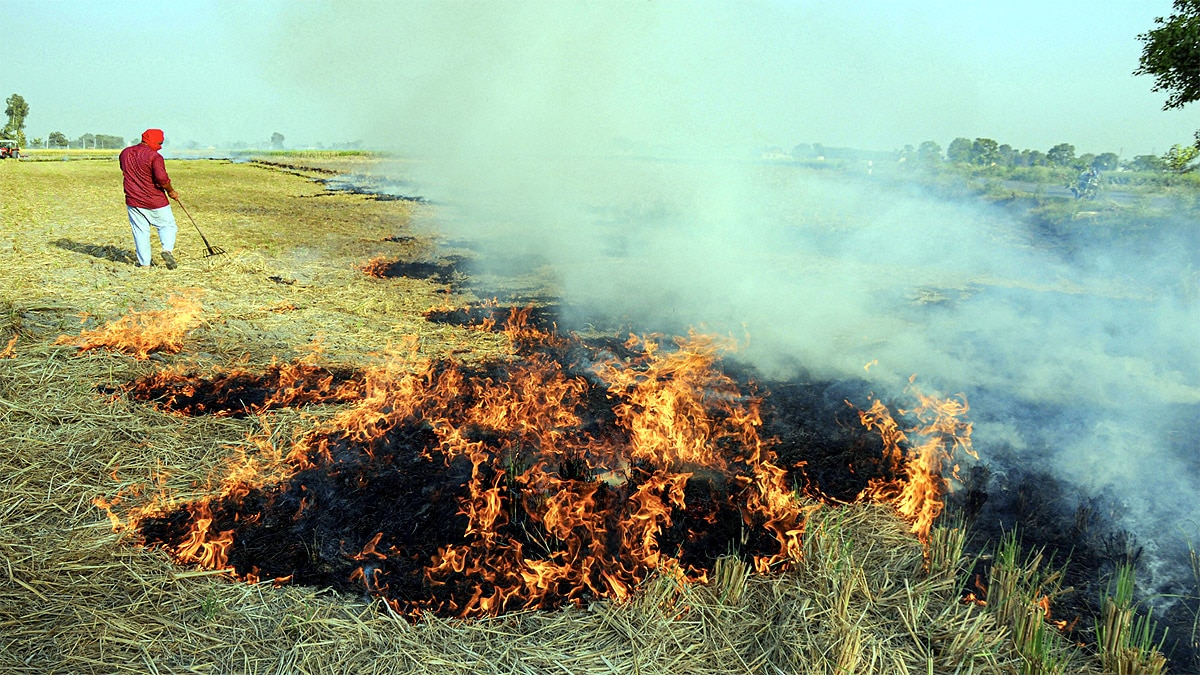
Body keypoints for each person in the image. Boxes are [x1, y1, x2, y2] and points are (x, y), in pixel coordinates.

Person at [119, 129, 179, 269]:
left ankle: (145, 265)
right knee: (167, 225)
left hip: (133, 200)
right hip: (155, 200)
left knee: (140, 231)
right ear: (153, 141)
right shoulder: (155, 157)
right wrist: (171, 191)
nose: (160, 146)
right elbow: (162, 179)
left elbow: (124, 170)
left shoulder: (125, 153)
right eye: (160, 143)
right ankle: (167, 250)